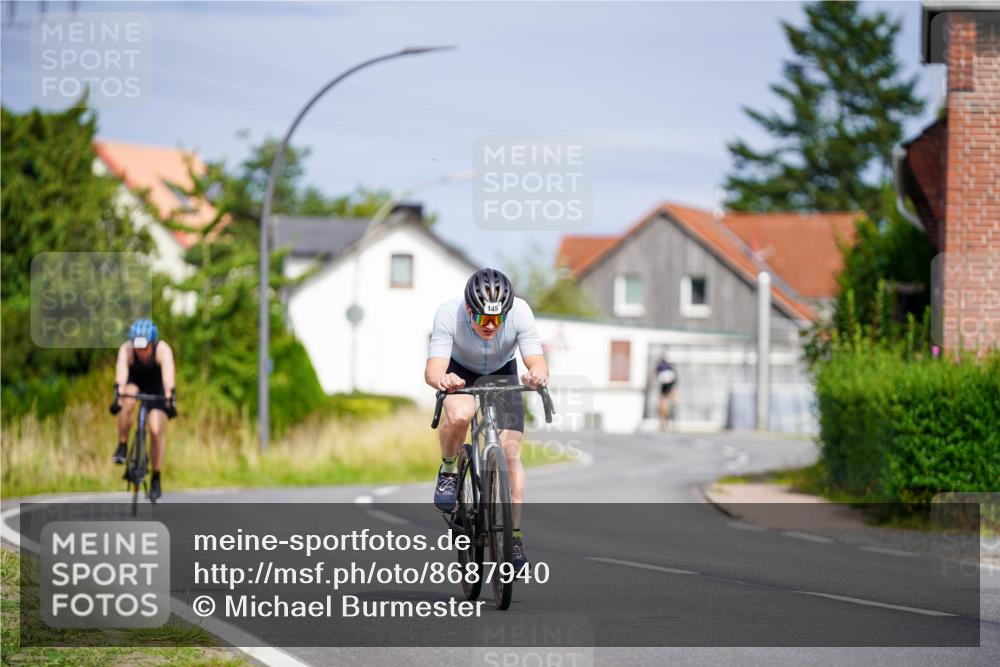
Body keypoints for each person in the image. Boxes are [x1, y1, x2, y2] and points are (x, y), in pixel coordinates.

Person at [424, 268, 549, 572]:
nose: (491, 325)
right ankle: (450, 469)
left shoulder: (521, 312)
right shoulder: (448, 314)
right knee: (461, 415)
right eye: (483, 318)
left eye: (498, 318)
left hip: (503, 372)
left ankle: (514, 538)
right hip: (460, 372)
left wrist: (537, 374)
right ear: (469, 310)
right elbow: (433, 371)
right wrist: (444, 379)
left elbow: (537, 360)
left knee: (511, 453)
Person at [109, 318, 177, 500]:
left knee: (155, 429)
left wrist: (170, 400)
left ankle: (156, 477)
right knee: (128, 400)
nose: (141, 352)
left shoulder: (163, 350)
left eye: (144, 347)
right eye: (137, 347)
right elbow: (121, 377)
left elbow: (168, 378)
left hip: (156, 389)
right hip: (135, 383)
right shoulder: (126, 350)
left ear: (152, 343)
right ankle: (122, 445)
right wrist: (117, 398)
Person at [656, 353, 677, 431]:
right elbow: (673, 378)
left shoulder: (661, 366)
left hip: (666, 383)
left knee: (664, 401)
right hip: (668, 382)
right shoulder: (669, 366)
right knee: (666, 401)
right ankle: (671, 403)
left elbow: (657, 374)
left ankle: (670, 404)